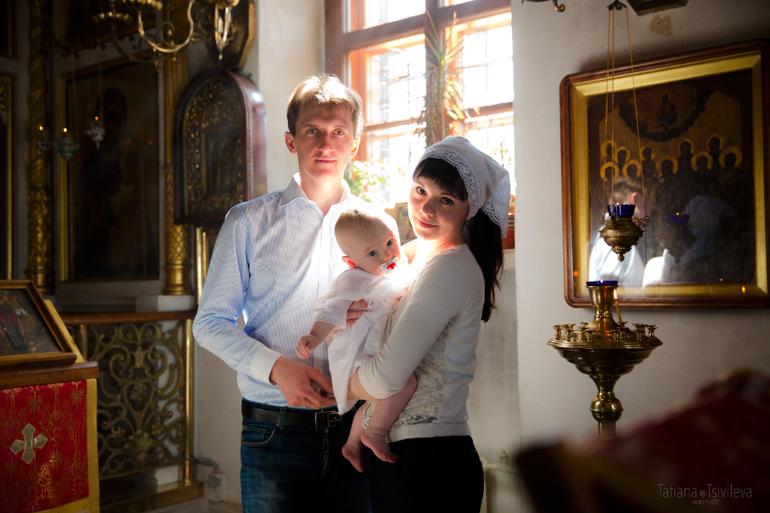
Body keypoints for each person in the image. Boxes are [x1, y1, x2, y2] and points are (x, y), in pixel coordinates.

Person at [192, 75, 372, 513]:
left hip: (357, 429)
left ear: (355, 143)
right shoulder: (247, 222)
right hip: (274, 432)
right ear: (291, 141)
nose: (326, 143)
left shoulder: (377, 225)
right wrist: (277, 369)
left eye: (339, 132)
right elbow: (209, 323)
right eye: (312, 130)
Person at [347, 136, 510, 512]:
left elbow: (388, 375)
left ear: (470, 211)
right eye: (420, 190)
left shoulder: (450, 267)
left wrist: (337, 387)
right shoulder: (416, 256)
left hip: (428, 462)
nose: (426, 208)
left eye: (446, 200)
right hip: (405, 456)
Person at [296, 209, 418, 473]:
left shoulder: (397, 269)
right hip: (358, 353)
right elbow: (329, 311)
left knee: (379, 399)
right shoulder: (352, 280)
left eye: (390, 242)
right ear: (351, 262)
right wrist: (315, 336)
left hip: (380, 350)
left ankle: (352, 445)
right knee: (404, 382)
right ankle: (374, 432)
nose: (387, 255)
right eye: (373, 253)